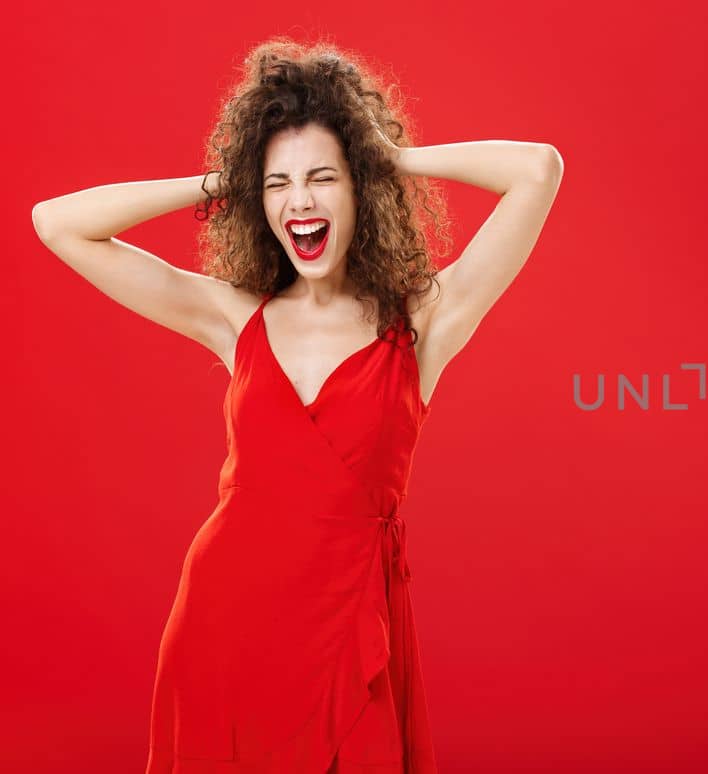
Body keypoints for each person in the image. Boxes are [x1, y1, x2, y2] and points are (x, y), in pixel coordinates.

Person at [30, 38, 563, 773]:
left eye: (322, 179)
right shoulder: (233, 318)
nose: (299, 202)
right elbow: (57, 223)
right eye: (278, 185)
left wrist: (390, 155)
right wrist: (222, 178)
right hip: (222, 627)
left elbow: (538, 169)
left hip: (350, 634)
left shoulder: (421, 322)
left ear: (359, 190)